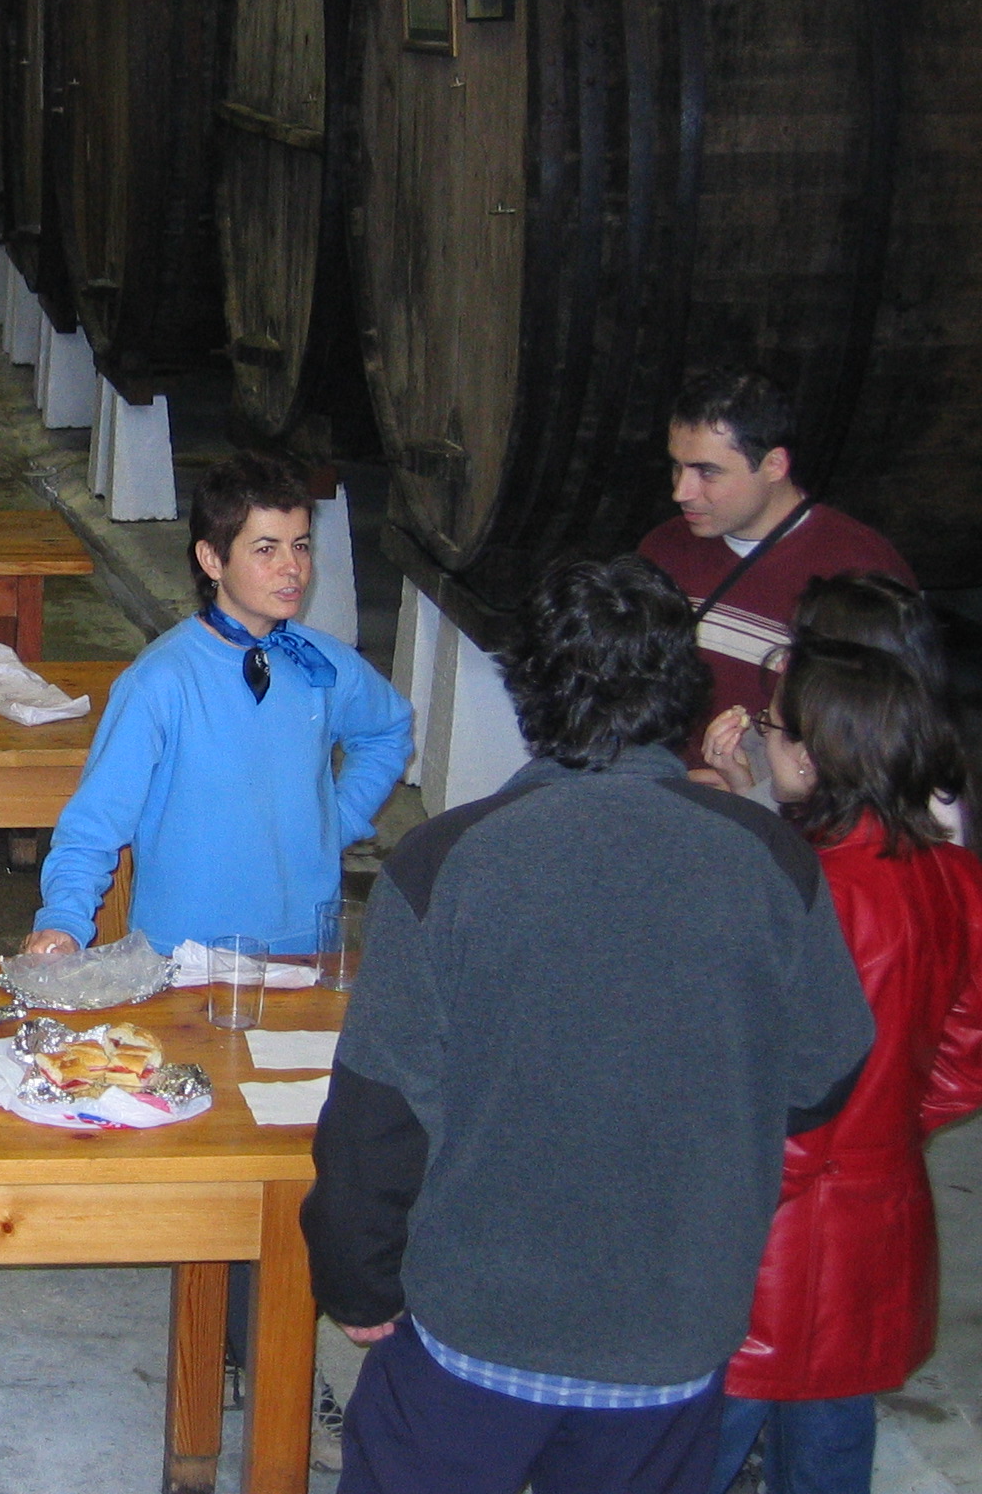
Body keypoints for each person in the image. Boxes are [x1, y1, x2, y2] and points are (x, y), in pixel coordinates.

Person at [303, 554, 876, 1494]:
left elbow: (379, 1114)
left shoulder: (445, 861)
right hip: (671, 1332)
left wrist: (358, 1281)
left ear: (528, 689)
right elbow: (824, 1072)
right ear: (683, 689)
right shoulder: (770, 859)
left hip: (477, 1330)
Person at [702, 627, 982, 1494]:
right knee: (829, 1451)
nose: (761, 737)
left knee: (687, 1455)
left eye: (774, 727)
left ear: (813, 757)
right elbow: (965, 1060)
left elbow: (769, 1085)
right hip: (876, 1230)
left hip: (767, 1247)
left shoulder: (802, 888)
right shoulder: (956, 879)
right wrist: (881, 1129)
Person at [24, 452, 411, 955]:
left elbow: (387, 730)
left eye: (300, 545)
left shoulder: (324, 664)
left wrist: (339, 819)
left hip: (304, 945)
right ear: (212, 560)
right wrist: (63, 919)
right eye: (266, 549)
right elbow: (94, 822)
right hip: (185, 954)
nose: (292, 568)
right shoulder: (160, 681)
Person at [639, 367, 912, 766]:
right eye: (677, 466)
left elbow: (886, 735)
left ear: (774, 465)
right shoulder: (662, 549)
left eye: (707, 471)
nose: (681, 491)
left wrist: (759, 790)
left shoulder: (861, 569)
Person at [702, 571, 971, 844]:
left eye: (804, 653)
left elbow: (783, 854)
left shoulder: (912, 814)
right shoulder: (842, 765)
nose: (783, 664)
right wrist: (743, 787)